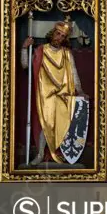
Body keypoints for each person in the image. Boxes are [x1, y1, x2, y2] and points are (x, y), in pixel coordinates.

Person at [20, 19, 88, 165]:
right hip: (45, 93)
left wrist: (80, 90)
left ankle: (59, 154)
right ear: (52, 33)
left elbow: (74, 73)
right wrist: (25, 48)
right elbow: (26, 65)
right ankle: (40, 154)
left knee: (62, 123)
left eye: (63, 36)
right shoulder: (41, 50)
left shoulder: (66, 54)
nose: (59, 38)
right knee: (47, 123)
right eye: (58, 34)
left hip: (64, 93)